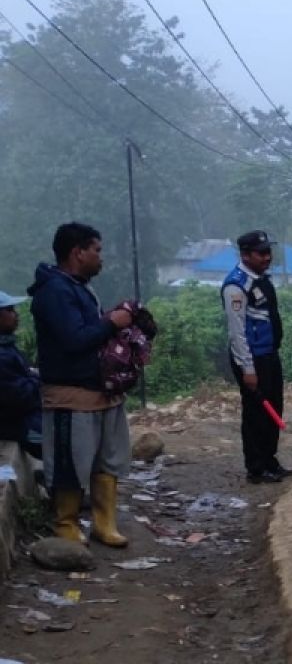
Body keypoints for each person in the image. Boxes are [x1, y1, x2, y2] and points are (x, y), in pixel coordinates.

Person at [27, 223, 134, 546]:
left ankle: (104, 524)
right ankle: (67, 525)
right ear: (78, 252)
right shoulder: (54, 291)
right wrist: (110, 323)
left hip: (101, 392)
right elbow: (74, 339)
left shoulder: (78, 286)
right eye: (97, 250)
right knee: (70, 461)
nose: (101, 258)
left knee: (106, 459)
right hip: (70, 395)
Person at [222, 230, 292, 484]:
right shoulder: (236, 285)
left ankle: (270, 461)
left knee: (274, 408)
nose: (267, 257)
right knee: (256, 413)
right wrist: (247, 368)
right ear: (245, 255)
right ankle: (256, 467)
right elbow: (237, 331)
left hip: (269, 354)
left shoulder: (261, 278)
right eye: (261, 253)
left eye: (268, 252)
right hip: (252, 359)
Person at [0, 290, 43, 460]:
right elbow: (19, 396)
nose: (15, 315)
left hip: (22, 421)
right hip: (15, 426)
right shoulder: (2, 356)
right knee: (51, 442)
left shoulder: (7, 346)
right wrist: (38, 380)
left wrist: (32, 377)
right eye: (9, 310)